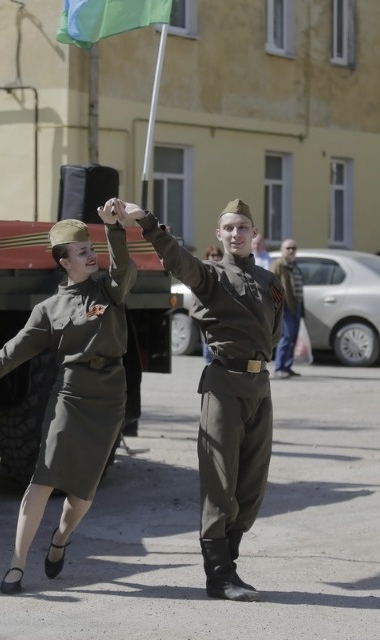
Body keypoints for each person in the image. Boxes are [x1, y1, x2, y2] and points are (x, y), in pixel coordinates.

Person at [0, 199, 136, 595]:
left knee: (82, 491)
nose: (90, 256)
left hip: (110, 395)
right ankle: (17, 564)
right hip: (71, 394)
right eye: (82, 252)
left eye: (91, 249)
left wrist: (114, 229)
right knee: (43, 479)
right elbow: (11, 353)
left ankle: (61, 538)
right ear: (64, 262)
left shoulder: (109, 290)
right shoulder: (48, 310)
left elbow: (123, 269)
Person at [123, 198, 283, 602]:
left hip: (259, 388)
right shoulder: (210, 276)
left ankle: (231, 566)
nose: (236, 234)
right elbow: (177, 260)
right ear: (219, 235)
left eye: (242, 227)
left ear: (254, 233)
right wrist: (147, 221)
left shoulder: (270, 282)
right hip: (223, 386)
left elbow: (274, 334)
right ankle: (218, 576)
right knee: (219, 484)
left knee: (251, 488)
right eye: (228, 228)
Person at [271, 238, 305, 378]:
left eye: (294, 248)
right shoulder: (279, 265)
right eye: (288, 248)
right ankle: (279, 368)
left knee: (293, 338)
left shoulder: (294, 265)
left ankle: (287, 367)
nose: (291, 251)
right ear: (282, 250)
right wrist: (278, 305)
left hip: (296, 305)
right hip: (285, 307)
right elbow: (271, 285)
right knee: (286, 336)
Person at [200, 246, 224, 363]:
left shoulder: (224, 270)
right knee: (207, 338)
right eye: (213, 255)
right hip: (206, 309)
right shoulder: (203, 270)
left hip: (221, 310)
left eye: (218, 255)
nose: (216, 258)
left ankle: (216, 363)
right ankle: (209, 363)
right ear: (208, 257)